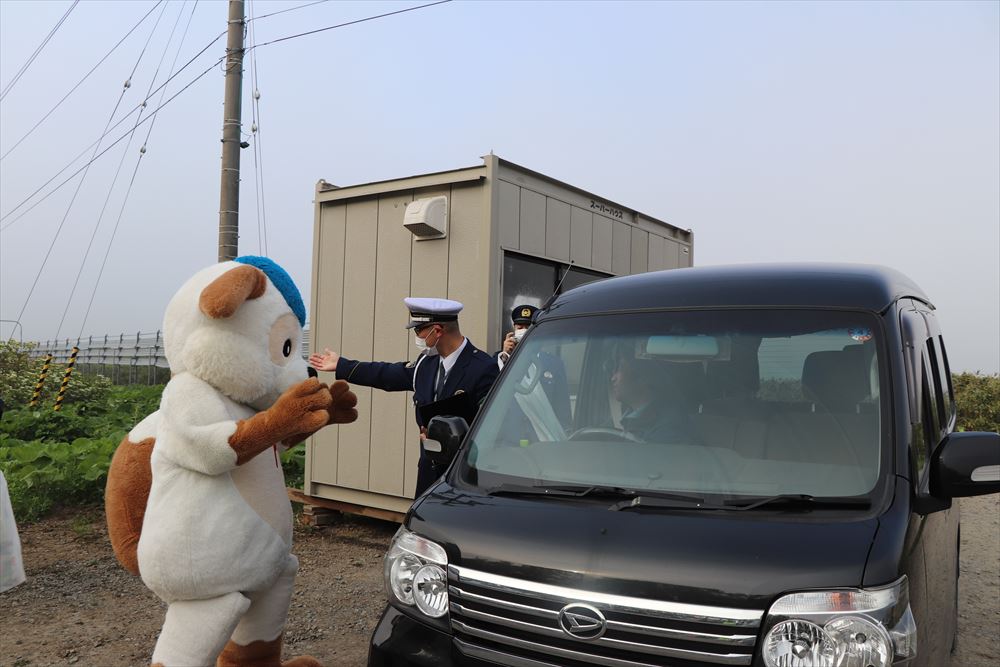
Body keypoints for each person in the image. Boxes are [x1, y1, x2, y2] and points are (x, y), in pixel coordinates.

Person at [309, 297, 499, 496]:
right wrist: (342, 365)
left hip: (464, 480)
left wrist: (452, 440)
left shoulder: (483, 368)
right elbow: (387, 374)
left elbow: (493, 429)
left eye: (419, 330)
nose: (416, 336)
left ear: (438, 330)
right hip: (429, 476)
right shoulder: (426, 364)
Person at [496, 304, 572, 428]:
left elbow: (563, 409)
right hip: (509, 439)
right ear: (514, 330)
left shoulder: (554, 364)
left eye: (528, 328)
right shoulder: (499, 360)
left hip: (542, 438)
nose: (523, 332)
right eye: (520, 327)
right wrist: (506, 355)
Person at [609, 351, 692, 443]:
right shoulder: (622, 420)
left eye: (619, 368)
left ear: (643, 377)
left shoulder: (670, 431)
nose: (613, 378)